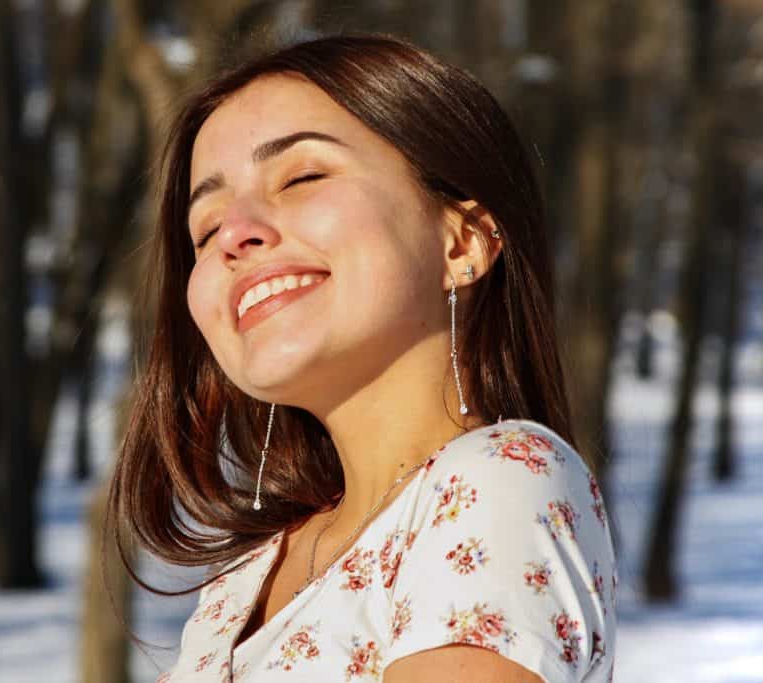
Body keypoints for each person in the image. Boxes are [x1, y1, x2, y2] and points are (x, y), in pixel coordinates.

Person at [106, 33, 617, 682]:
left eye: (302, 176)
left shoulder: (498, 482)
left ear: (462, 242)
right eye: (205, 228)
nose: (235, 234)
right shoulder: (239, 583)